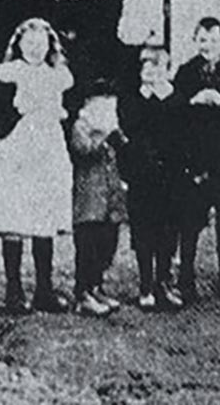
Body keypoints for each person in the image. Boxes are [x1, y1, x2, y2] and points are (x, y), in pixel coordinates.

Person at [0, 18, 74, 315]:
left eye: (41, 44)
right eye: (29, 43)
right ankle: (14, 290)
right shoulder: (9, 73)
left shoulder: (57, 74)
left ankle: (44, 289)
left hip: (49, 146)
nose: (35, 49)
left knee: (44, 217)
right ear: (18, 45)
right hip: (20, 145)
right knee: (15, 214)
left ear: (50, 46)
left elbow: (67, 102)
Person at [172, 17, 220, 300]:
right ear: (196, 41)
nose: (208, 46)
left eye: (214, 40)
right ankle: (185, 279)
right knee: (190, 220)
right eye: (203, 40)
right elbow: (175, 107)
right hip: (196, 158)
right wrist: (193, 100)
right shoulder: (185, 72)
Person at [118, 48, 190, 311]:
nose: (151, 71)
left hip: (170, 176)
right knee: (144, 230)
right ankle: (146, 284)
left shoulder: (176, 99)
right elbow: (132, 129)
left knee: (168, 230)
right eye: (146, 66)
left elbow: (180, 135)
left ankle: (163, 281)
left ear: (167, 70)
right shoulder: (131, 99)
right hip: (142, 175)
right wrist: (146, 98)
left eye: (157, 66)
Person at [69, 83, 128, 317]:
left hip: (109, 202)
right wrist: (101, 137)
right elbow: (82, 151)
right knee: (88, 248)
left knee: (107, 245)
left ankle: (96, 286)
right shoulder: (81, 127)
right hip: (88, 204)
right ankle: (83, 292)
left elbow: (123, 152)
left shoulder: (113, 131)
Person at [114, 0, 165, 92]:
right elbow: (124, 19)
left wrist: (146, 38)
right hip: (128, 45)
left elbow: (153, 20)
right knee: (126, 82)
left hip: (146, 45)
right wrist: (122, 33)